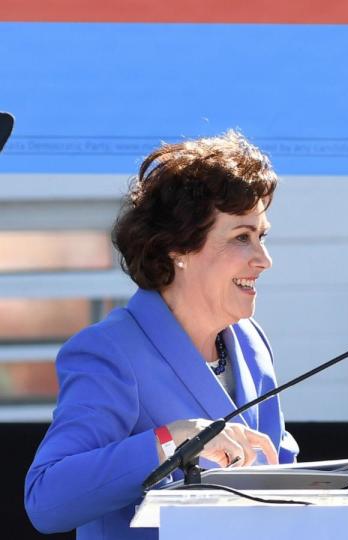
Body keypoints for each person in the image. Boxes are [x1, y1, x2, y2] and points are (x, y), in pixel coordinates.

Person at [25, 131, 299, 539]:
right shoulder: (110, 351)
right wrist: (172, 440)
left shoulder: (251, 342)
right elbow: (45, 500)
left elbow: (283, 472)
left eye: (262, 236)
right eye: (242, 237)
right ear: (179, 248)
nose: (264, 259)